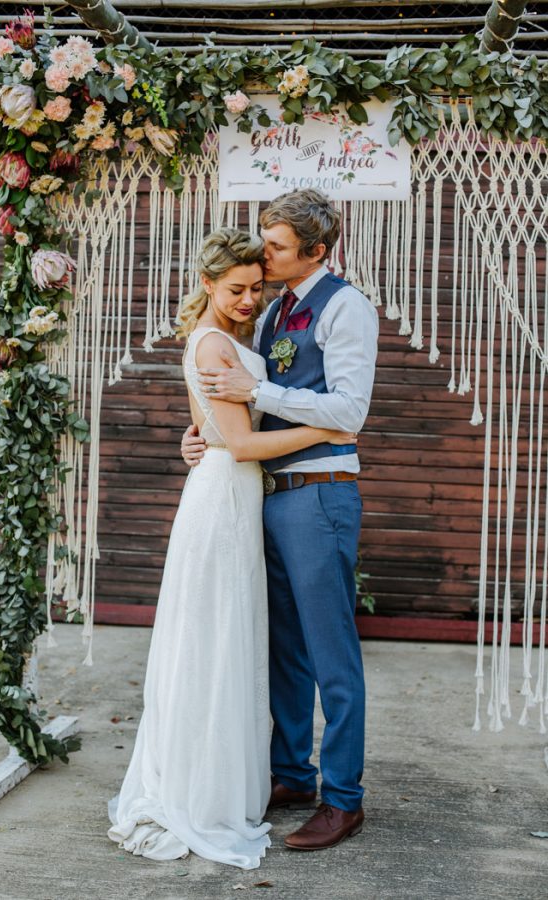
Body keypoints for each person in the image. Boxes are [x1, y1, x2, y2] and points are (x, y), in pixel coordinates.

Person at [107, 228, 356, 869]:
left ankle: (324, 790)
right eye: (238, 288)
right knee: (220, 640)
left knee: (244, 640)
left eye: (257, 285)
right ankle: (226, 779)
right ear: (208, 284)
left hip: (247, 495)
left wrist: (205, 437)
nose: (251, 297)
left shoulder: (259, 328)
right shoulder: (220, 340)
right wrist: (321, 425)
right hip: (231, 495)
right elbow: (240, 442)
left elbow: (220, 426)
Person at [181, 190, 379, 851]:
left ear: (318, 251)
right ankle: (292, 772)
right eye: (265, 242)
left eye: (277, 247)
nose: (264, 256)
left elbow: (348, 410)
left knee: (330, 653)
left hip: (319, 496)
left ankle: (344, 799)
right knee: (285, 649)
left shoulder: (345, 306)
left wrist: (255, 394)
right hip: (266, 492)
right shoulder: (273, 313)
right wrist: (204, 434)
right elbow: (249, 413)